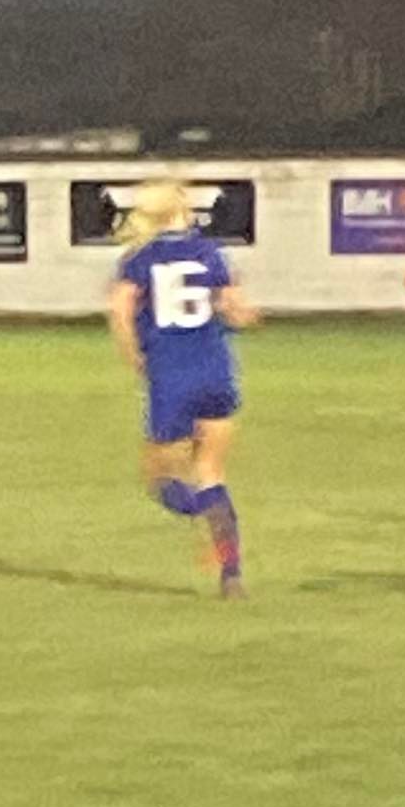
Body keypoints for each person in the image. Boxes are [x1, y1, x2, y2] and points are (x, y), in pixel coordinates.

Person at [106, 178, 259, 592]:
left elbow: (119, 313)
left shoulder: (139, 259)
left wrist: (136, 357)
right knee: (211, 471)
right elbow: (235, 310)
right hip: (215, 369)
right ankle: (231, 571)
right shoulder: (210, 253)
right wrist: (246, 317)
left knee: (159, 478)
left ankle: (205, 512)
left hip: (171, 374)